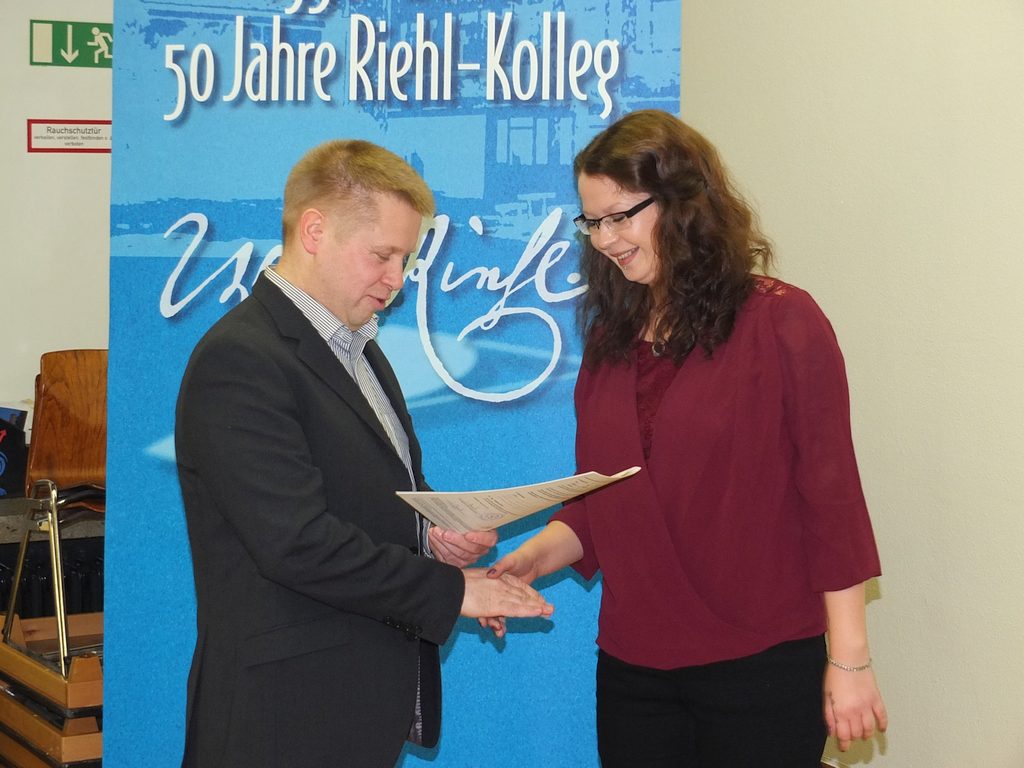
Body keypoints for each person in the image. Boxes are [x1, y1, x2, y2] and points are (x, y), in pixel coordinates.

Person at [487, 110, 887, 766]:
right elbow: (605, 500)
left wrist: (850, 661)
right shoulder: (610, 339)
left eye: (621, 216)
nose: (605, 239)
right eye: (592, 222)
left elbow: (831, 499)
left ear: (682, 202)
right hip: (634, 671)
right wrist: (533, 557)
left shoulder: (783, 321)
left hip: (761, 666)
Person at [175, 139, 553, 768]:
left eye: (406, 258)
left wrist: (432, 536)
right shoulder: (240, 359)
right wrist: (452, 591)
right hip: (280, 718)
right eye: (382, 255)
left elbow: (367, 496)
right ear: (314, 231)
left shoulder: (361, 350)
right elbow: (296, 542)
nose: (397, 280)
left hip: (350, 707)